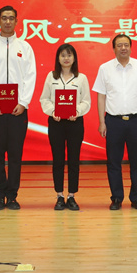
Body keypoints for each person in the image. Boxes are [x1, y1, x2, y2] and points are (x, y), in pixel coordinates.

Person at [0, 5, 37, 211]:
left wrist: (23, 102)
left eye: (11, 18)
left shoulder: (25, 47)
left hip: (17, 111)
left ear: (16, 22)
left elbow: (30, 76)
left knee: (15, 155)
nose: (7, 22)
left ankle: (12, 196)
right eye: (3, 18)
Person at [93, 34, 137, 210]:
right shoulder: (105, 68)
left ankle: (136, 198)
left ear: (131, 47)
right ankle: (116, 198)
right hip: (113, 121)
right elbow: (101, 96)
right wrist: (102, 122)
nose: (123, 48)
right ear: (114, 48)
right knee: (113, 162)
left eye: (126, 45)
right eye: (119, 45)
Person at [39, 43, 91, 211]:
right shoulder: (51, 77)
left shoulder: (81, 78)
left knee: (74, 160)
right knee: (58, 160)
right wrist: (52, 111)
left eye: (69, 55)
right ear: (58, 58)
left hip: (75, 123)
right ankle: (60, 195)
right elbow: (44, 99)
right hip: (56, 123)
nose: (66, 58)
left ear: (74, 58)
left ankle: (72, 196)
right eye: (63, 55)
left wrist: (77, 111)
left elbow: (86, 101)